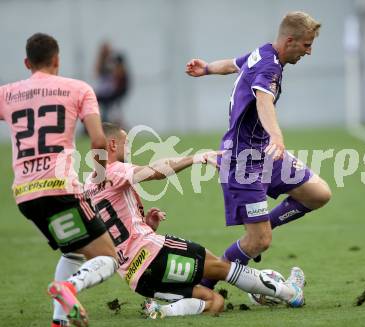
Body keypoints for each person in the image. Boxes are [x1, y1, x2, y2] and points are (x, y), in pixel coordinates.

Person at [83, 123, 305, 319]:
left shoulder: (88, 187)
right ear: (112, 145)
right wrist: (195, 158)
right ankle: (290, 293)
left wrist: (147, 225)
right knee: (221, 268)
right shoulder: (114, 170)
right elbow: (155, 172)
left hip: (136, 278)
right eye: (126, 143)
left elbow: (111, 234)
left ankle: (162, 311)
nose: (129, 148)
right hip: (154, 255)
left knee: (214, 302)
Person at [185, 11, 332, 288]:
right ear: (290, 41)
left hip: (263, 152)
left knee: (318, 194)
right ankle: (204, 285)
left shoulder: (264, 53)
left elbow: (233, 64)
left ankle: (265, 223)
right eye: (306, 45)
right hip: (244, 160)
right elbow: (263, 101)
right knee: (259, 242)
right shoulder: (269, 68)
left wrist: (206, 69)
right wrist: (277, 136)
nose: (309, 52)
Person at [0, 33, 118, 327]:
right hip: (59, 188)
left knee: (73, 250)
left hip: (26, 195)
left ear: (27, 62)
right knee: (109, 257)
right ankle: (69, 288)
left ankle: (59, 321)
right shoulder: (78, 89)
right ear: (57, 60)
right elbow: (99, 140)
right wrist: (101, 176)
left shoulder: (7, 94)